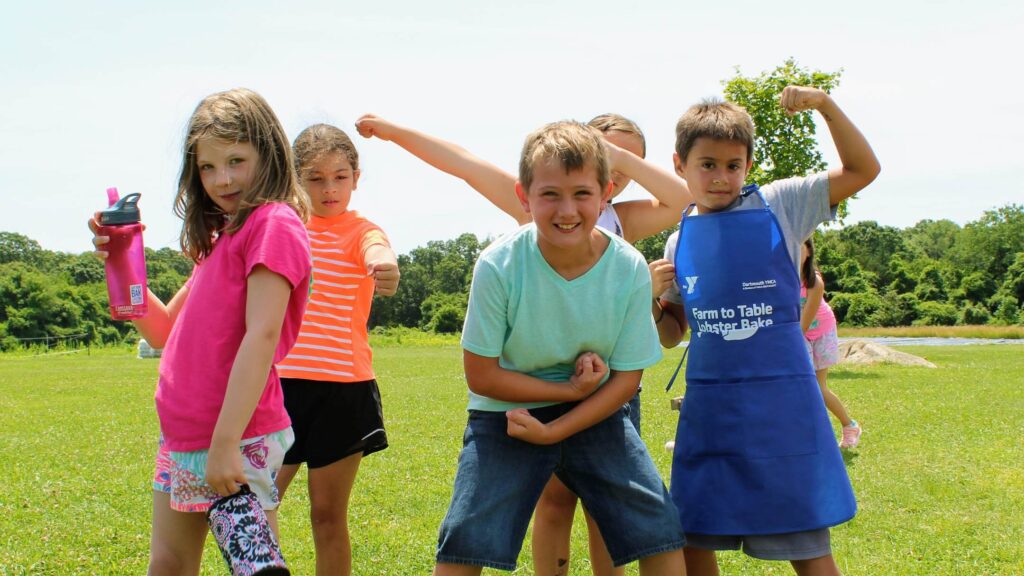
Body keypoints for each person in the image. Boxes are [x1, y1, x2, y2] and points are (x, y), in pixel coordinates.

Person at [356, 112, 691, 576]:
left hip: (600, 409)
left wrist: (563, 421)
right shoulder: (499, 264)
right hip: (506, 413)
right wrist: (566, 393)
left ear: (606, 193)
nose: (567, 210)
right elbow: (482, 376)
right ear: (525, 195)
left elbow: (629, 378)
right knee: (467, 533)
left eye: (581, 194)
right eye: (549, 194)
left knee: (658, 526)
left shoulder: (629, 266)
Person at [649, 86, 880, 576]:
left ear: (748, 166)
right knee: (694, 534)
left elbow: (863, 170)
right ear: (679, 164)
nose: (721, 177)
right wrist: (649, 297)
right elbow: (672, 335)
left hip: (782, 407)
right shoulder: (678, 238)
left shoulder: (782, 204)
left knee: (805, 540)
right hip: (710, 410)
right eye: (707, 164)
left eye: (733, 165)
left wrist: (824, 105)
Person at [89, 88, 312, 573]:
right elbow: (162, 331)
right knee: (168, 563)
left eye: (236, 160)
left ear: (268, 154)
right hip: (183, 436)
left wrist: (226, 443)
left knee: (255, 566)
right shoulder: (221, 238)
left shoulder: (273, 224)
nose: (222, 179)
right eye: (208, 167)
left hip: (236, 435)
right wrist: (121, 262)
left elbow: (263, 335)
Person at [274, 123, 401, 575]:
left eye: (340, 176)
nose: (330, 189)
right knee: (255, 508)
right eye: (315, 178)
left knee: (327, 517)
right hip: (278, 390)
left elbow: (376, 249)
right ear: (294, 178)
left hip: (343, 391)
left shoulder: (361, 229)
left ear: (356, 177)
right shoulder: (281, 226)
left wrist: (383, 264)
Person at [800, 238, 861, 449]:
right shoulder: (782, 277)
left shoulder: (814, 281)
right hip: (801, 333)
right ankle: (810, 437)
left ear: (808, 251)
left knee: (818, 387)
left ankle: (849, 426)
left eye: (799, 246)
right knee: (806, 387)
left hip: (821, 331)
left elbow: (804, 324)